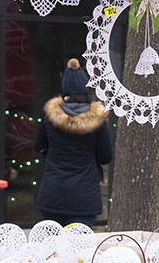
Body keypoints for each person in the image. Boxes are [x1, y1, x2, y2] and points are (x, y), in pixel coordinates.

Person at [35, 59, 112, 227]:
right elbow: (105, 156)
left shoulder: (50, 118)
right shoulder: (97, 121)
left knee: (50, 249)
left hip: (52, 193)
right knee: (80, 250)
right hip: (84, 196)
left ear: (65, 89)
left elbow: (39, 146)